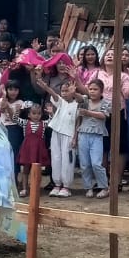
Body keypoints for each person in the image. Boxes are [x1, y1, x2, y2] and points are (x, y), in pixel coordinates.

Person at [29, 69, 81, 197]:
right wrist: (46, 87)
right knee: (56, 158)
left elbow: (78, 123)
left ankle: (66, 186)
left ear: (73, 91)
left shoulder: (78, 104)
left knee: (66, 160)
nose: (63, 93)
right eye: (62, 91)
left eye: (67, 91)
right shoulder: (61, 102)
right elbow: (54, 95)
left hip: (69, 135)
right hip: (56, 132)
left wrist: (75, 138)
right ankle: (57, 184)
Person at [75, 79, 111, 199]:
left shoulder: (105, 102)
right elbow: (79, 98)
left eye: (95, 89)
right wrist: (73, 91)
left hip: (97, 135)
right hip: (83, 134)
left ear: (101, 91)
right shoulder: (85, 101)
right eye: (90, 89)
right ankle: (88, 187)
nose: (92, 91)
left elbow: (103, 116)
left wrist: (88, 112)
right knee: (85, 164)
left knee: (96, 163)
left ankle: (104, 187)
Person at [0, 83, 32, 197]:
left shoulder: (21, 103)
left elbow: (14, 118)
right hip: (3, 129)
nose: (13, 92)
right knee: (3, 155)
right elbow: (2, 108)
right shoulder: (0, 100)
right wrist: (3, 96)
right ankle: (4, 182)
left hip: (15, 129)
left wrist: (12, 108)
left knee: (14, 155)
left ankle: (15, 181)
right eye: (10, 89)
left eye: (15, 89)